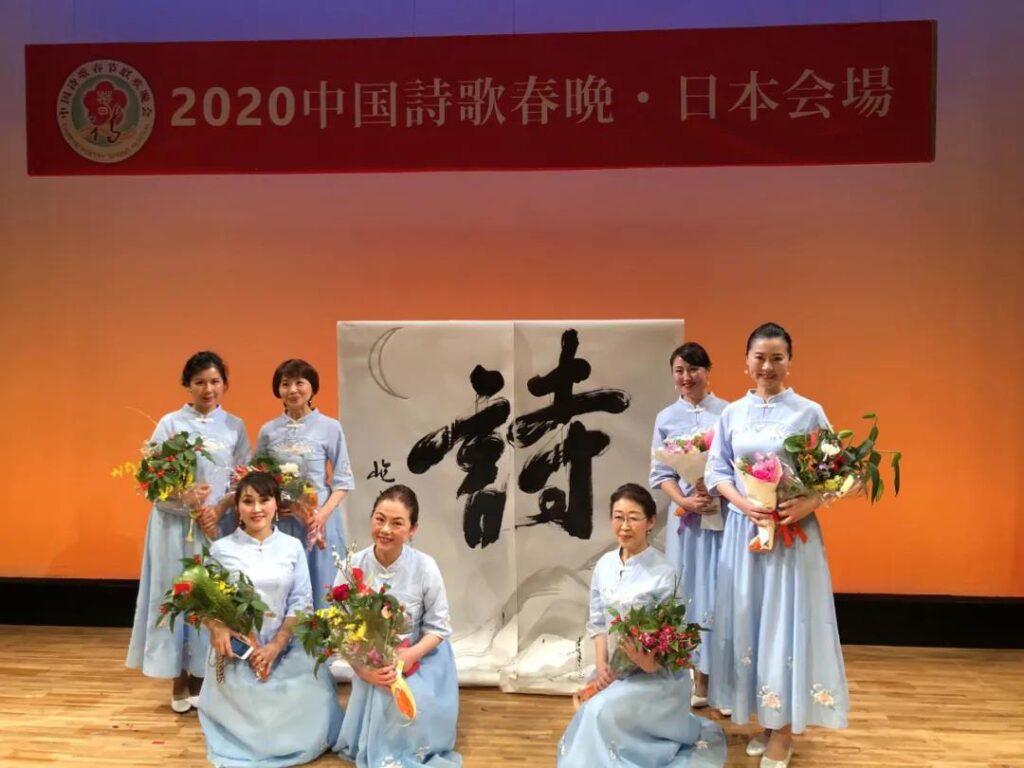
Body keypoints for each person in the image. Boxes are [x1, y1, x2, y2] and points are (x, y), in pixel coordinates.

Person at [706, 323, 848, 768]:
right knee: (752, 623)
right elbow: (717, 472)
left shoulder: (807, 412)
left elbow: (841, 474)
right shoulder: (732, 414)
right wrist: (744, 505)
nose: (767, 366)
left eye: (777, 358)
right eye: (760, 357)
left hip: (790, 536)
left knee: (784, 626)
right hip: (745, 533)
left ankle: (783, 733)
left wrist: (809, 503)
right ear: (746, 362)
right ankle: (768, 719)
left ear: (790, 361)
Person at [556, 483, 725, 768]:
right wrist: (602, 667)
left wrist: (647, 662)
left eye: (633, 518)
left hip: (657, 677)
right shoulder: (604, 566)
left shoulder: (664, 574)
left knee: (598, 711)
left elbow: (677, 639)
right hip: (615, 673)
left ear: (650, 522)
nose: (624, 526)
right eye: (618, 517)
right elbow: (597, 622)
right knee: (591, 709)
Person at [126, 351, 249, 713]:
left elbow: (242, 479)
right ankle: (178, 679)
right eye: (200, 382)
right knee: (176, 594)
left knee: (210, 597)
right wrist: (183, 496)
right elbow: (149, 481)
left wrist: (220, 509)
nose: (208, 389)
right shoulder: (170, 424)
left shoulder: (235, 426)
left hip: (214, 528)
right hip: (172, 527)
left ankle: (203, 678)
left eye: (214, 382)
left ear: (224, 384)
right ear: (188, 385)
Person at [199, 471, 343, 767]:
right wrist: (218, 627)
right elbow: (204, 604)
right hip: (239, 651)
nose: (256, 509)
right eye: (247, 501)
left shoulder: (292, 546)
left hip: (286, 646)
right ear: (237, 506)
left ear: (276, 504)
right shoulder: (220, 550)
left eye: (264, 500)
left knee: (306, 702)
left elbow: (301, 602)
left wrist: (277, 645)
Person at [334, 485, 461, 768]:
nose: (385, 529)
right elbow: (338, 626)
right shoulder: (352, 565)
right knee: (382, 689)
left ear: (412, 530)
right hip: (370, 658)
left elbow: (439, 628)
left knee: (411, 703)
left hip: (420, 656)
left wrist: (410, 655)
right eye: (380, 519)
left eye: (397, 523)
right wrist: (363, 670)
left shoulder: (425, 566)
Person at [649, 342, 728, 708]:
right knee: (688, 594)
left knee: (722, 593)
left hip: (723, 518)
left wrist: (718, 492)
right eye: (679, 371)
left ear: (707, 372)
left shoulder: (727, 413)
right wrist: (684, 501)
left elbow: (737, 467)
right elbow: (660, 473)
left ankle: (726, 685)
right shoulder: (665, 418)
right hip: (686, 524)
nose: (686, 377)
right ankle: (697, 680)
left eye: (693, 369)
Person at [253, 358, 354, 606]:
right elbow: (255, 477)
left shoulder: (330, 427)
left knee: (323, 590)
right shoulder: (269, 431)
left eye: (300, 383)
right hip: (281, 524)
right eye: (285, 384)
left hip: (318, 523)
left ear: (312, 387)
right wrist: (274, 506)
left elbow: (343, 481)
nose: (293, 390)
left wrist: (320, 516)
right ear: (278, 389)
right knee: (284, 592)